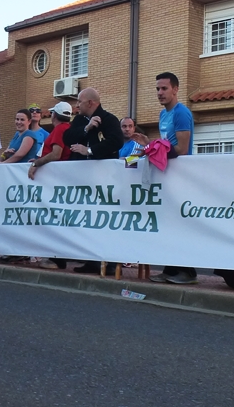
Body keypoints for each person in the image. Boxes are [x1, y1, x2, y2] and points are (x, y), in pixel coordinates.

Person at [133, 72, 197, 285]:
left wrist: (150, 149)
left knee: (179, 223)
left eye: (164, 89)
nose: (160, 93)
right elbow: (165, 146)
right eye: (158, 89)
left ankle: (187, 272)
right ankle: (171, 270)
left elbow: (181, 148)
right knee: (169, 223)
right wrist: (149, 146)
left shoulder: (181, 113)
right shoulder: (163, 114)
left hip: (182, 176)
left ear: (175, 89)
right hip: (168, 174)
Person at [63, 87, 124, 274]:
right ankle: (91, 260)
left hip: (104, 179)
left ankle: (111, 263)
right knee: (88, 219)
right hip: (84, 179)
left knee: (106, 219)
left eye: (79, 101)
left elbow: (116, 142)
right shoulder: (80, 120)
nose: (76, 105)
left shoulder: (109, 119)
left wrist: (89, 151)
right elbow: (68, 138)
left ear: (91, 103)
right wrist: (86, 128)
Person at [28, 101, 74, 270]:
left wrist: (37, 163)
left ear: (54, 115)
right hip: (59, 179)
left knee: (55, 217)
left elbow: (56, 154)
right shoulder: (67, 129)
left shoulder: (60, 129)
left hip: (55, 181)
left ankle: (57, 259)